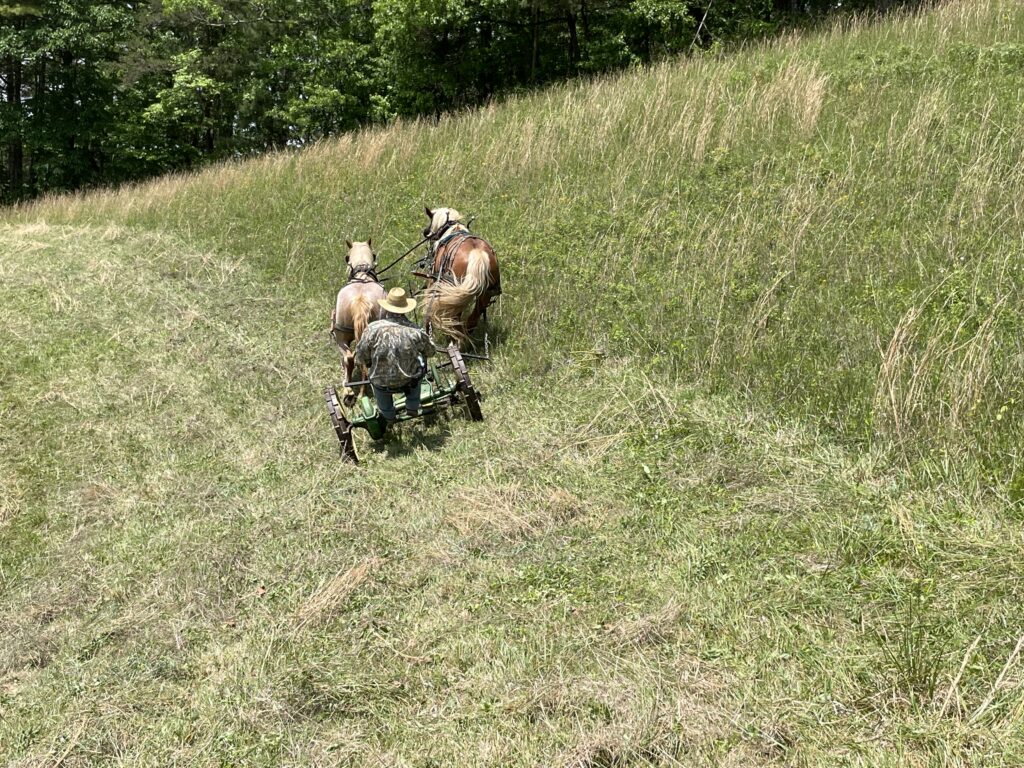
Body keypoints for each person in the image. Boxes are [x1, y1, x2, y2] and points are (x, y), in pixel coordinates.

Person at [353, 287, 435, 424]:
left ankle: (388, 416)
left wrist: (369, 362)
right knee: (420, 368)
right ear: (406, 309)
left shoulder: (371, 329)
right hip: (409, 381)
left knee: (380, 388)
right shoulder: (415, 331)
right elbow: (431, 352)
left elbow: (360, 357)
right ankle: (412, 406)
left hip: (381, 383)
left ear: (386, 308)